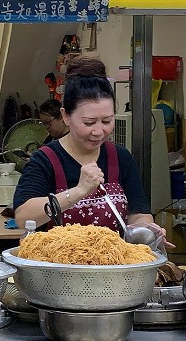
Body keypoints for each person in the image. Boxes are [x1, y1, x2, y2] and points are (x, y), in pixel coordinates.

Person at [13, 58, 167, 243]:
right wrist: (79, 191)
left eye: (107, 121)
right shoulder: (46, 159)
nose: (99, 131)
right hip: (58, 267)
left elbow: (138, 212)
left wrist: (145, 229)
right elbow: (23, 218)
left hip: (113, 264)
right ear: (66, 116)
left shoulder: (120, 158)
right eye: (89, 122)